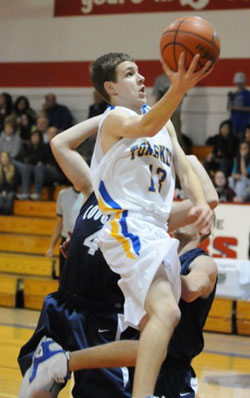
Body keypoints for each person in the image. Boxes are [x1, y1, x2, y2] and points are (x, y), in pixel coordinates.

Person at [20, 51, 214, 398]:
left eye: (139, 72)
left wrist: (200, 202)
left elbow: (184, 166)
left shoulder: (164, 123)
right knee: (167, 313)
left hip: (155, 231)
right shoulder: (114, 119)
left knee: (155, 334)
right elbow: (144, 126)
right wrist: (180, 87)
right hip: (129, 223)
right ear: (110, 87)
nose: (141, 78)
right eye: (130, 73)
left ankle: (60, 361)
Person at [45, 185, 83, 279]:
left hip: (82, 243)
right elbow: (59, 222)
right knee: (63, 278)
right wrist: (51, 246)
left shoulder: (92, 194)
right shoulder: (63, 194)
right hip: (65, 242)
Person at [227, 72, 250, 140]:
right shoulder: (234, 94)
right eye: (237, 83)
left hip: (243, 123)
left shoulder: (247, 94)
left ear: (244, 83)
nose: (238, 85)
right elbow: (229, 107)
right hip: (233, 122)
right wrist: (229, 100)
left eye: (240, 83)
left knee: (241, 141)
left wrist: (238, 108)